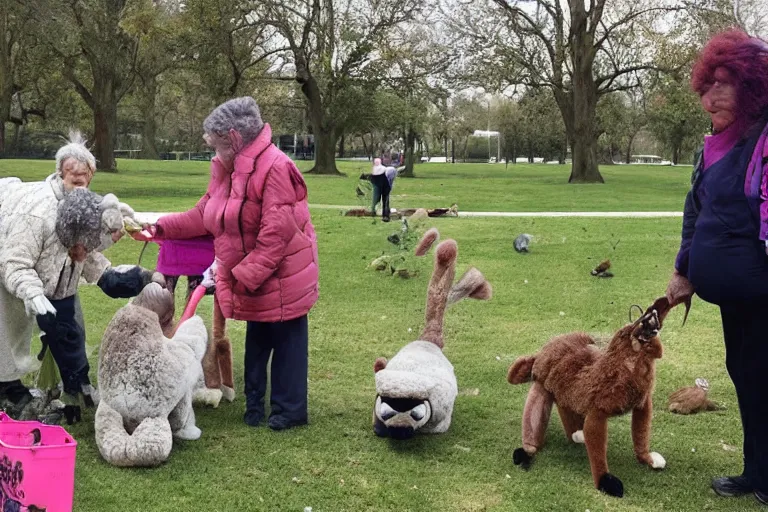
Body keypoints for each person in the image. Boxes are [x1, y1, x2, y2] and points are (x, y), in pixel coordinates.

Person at [136, 97, 319, 431]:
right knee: (259, 336)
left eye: (216, 143)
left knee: (288, 341)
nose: (212, 150)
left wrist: (237, 276)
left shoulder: (277, 167)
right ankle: (254, 406)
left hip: (285, 274)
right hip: (255, 276)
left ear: (234, 138)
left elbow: (275, 237)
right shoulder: (227, 171)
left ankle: (289, 410)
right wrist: (159, 227)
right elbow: (203, 215)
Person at [665, 30, 768, 506]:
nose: (713, 96)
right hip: (733, 295)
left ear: (753, 85)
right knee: (745, 372)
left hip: (762, 293)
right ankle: (756, 471)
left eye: (725, 83)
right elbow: (696, 211)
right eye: (707, 87)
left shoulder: (764, 142)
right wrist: (684, 270)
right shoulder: (713, 146)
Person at [0, 133, 158, 423]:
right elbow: (15, 261)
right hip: (10, 258)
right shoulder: (37, 214)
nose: (79, 180)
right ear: (61, 173)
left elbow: (87, 254)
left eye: (84, 176)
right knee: (9, 325)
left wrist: (128, 273)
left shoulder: (87, 206)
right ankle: (7, 387)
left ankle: (73, 387)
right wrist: (32, 291)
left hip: (59, 276)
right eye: (73, 176)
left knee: (68, 328)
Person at [156, 236, 216, 308]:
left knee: (164, 296)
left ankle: (167, 317)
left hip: (173, 250)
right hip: (203, 252)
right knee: (192, 298)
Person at [370, 158, 392, 222]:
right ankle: (383, 214)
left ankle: (385, 215)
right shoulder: (382, 169)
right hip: (381, 186)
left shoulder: (381, 170)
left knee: (383, 200)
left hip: (383, 186)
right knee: (382, 200)